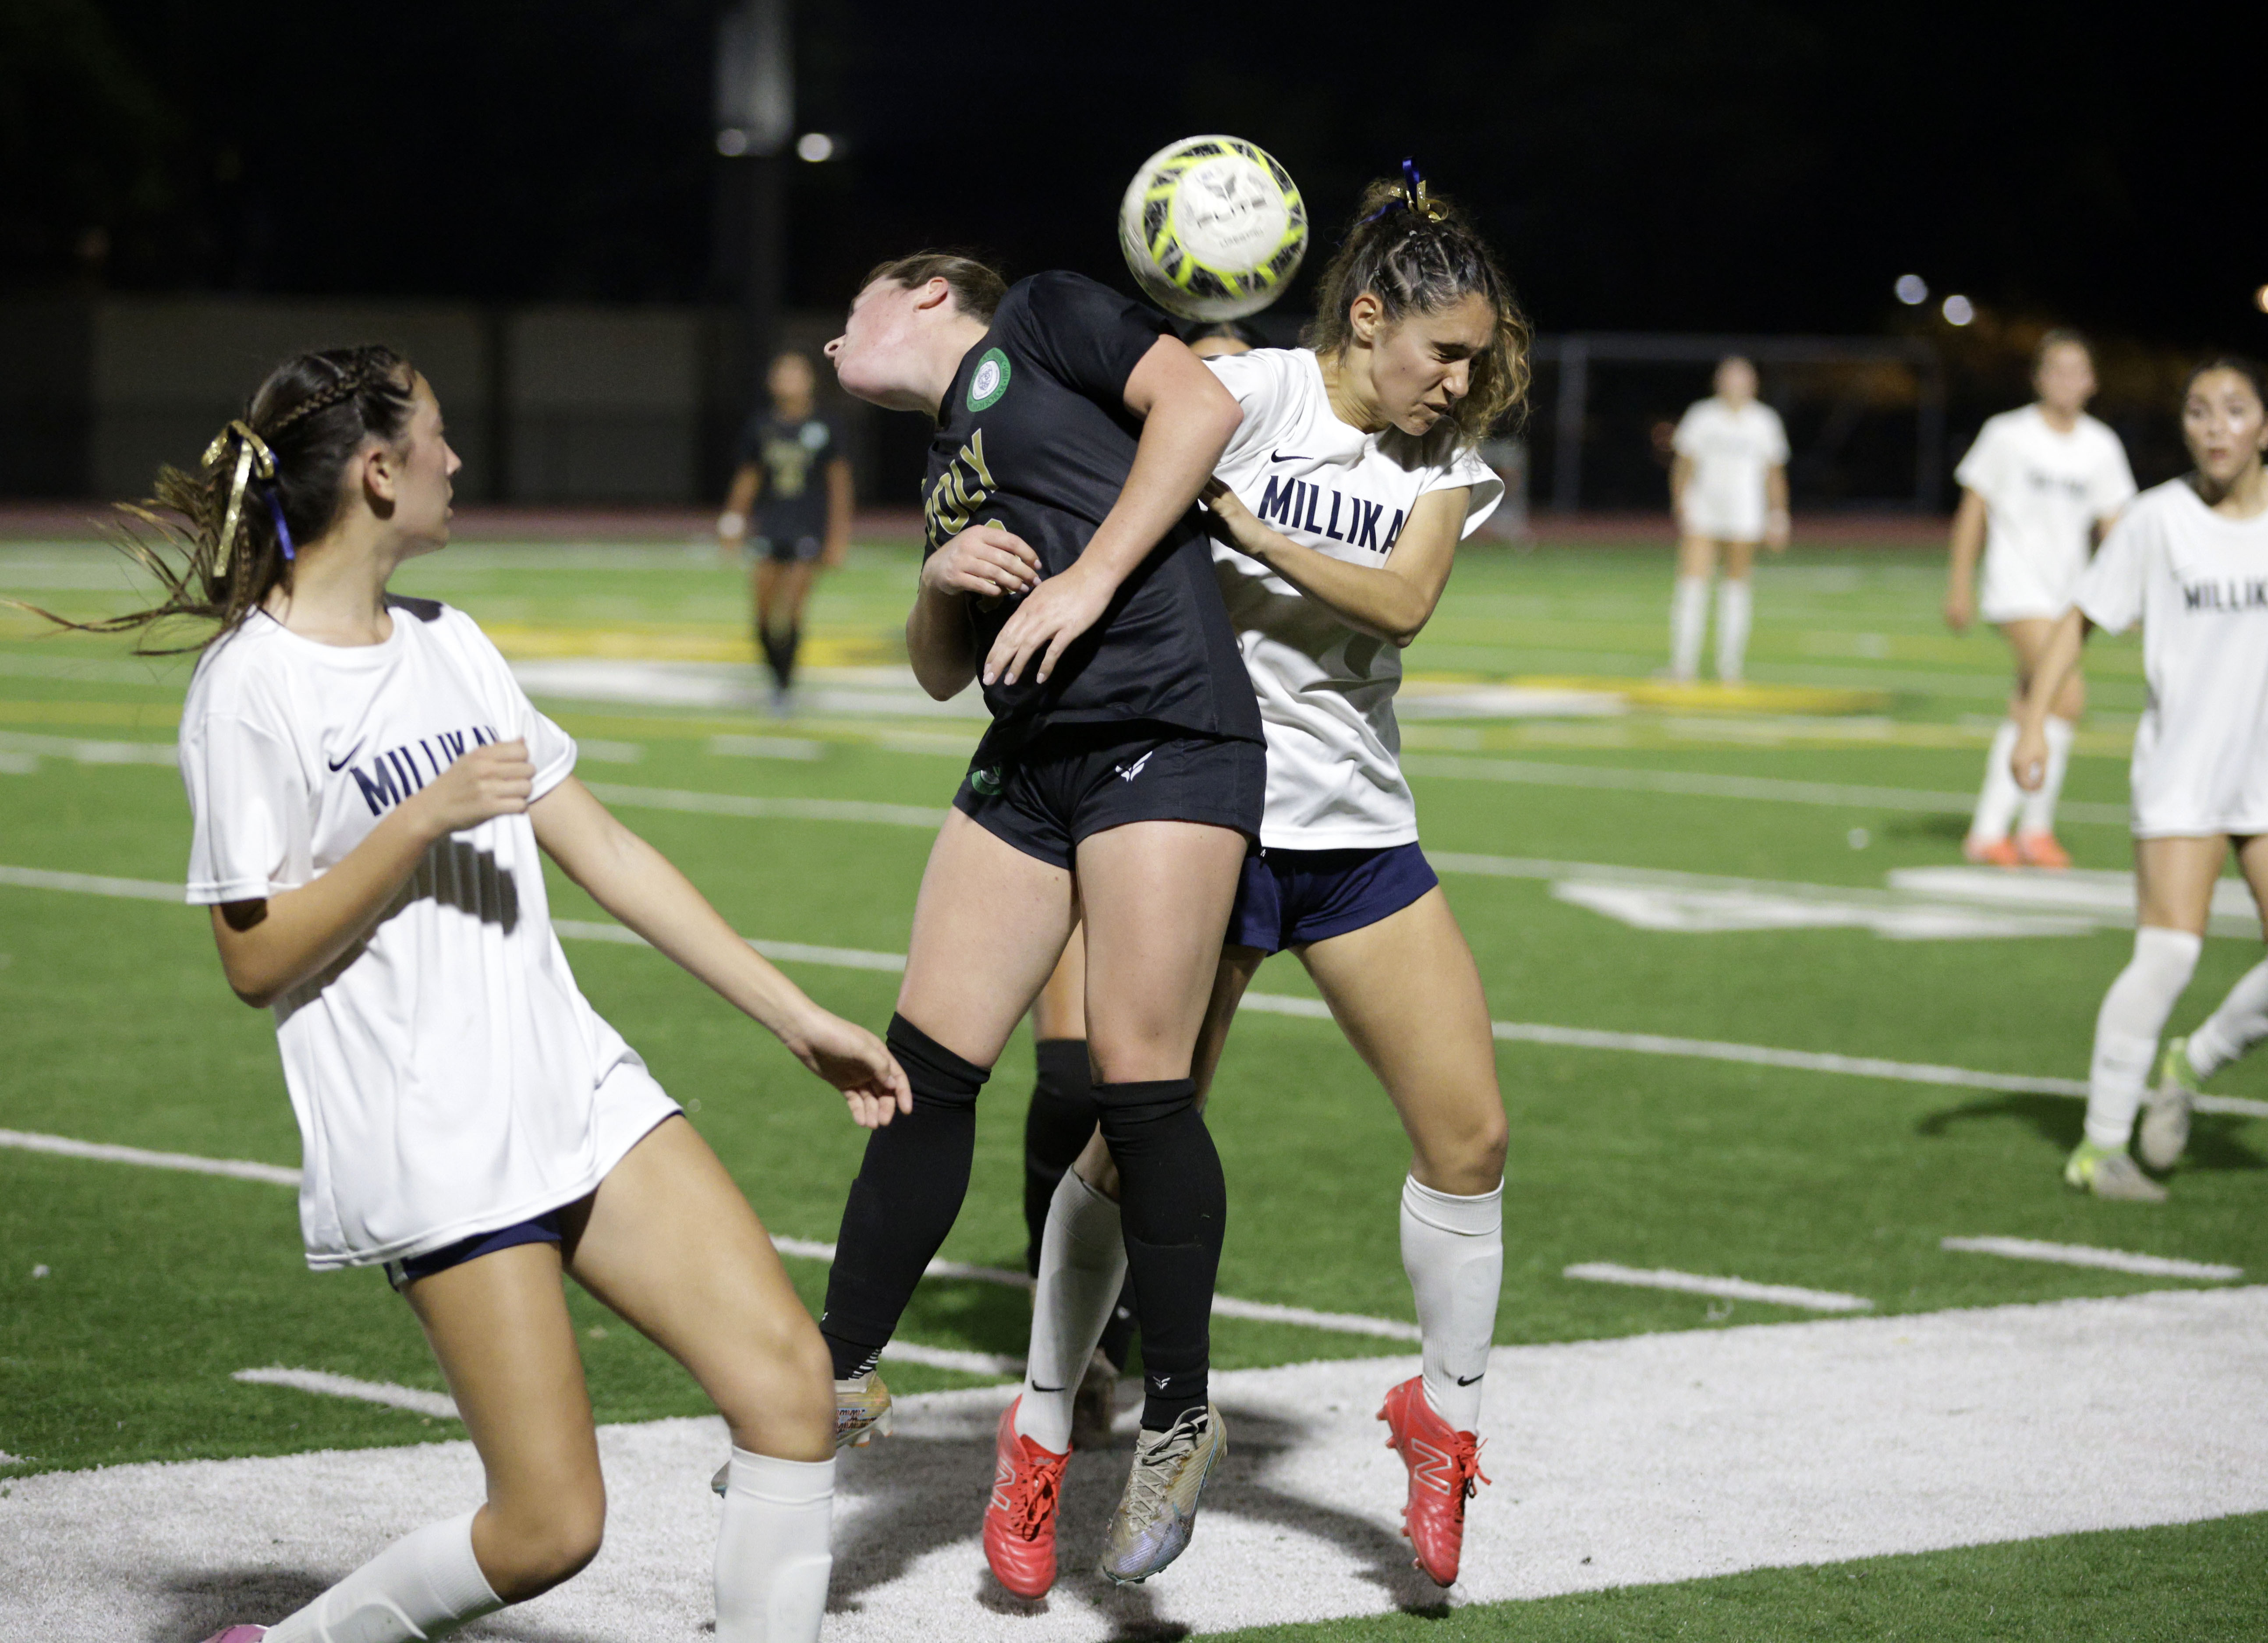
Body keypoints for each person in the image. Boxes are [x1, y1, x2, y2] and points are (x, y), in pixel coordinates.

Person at [34, 345, 911, 1643]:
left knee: (790, 1385)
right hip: (430, 1131)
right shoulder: (251, 689)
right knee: (549, 1525)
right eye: (437, 439)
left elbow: (604, 848)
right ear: (379, 471)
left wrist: (796, 1016)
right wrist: (414, 823)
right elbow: (255, 957)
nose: (459, 461)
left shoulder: (454, 643)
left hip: (575, 1081)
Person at [992, 164, 1521, 1598]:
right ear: (1364, 321)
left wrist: (1240, 522)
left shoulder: (1444, 470)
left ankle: (1442, 1424)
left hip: (1352, 837)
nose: (1461, 380)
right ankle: (1040, 1430)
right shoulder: (1248, 392)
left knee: (1467, 1138)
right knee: (1125, 1141)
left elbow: (1401, 599)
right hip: (1197, 822)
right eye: (1444, 353)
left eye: (1474, 355)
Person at [820, 252, 1264, 1585]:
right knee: (924, 1068)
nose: (840, 325)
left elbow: (1199, 411)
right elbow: (940, 671)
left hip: (1162, 730)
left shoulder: (1044, 313)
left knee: (1140, 1089)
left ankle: (1180, 1415)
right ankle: (835, 1373)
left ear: (930, 295)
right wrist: (937, 576)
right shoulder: (948, 446)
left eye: (859, 301)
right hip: (1031, 757)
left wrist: (1087, 580)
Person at [1014, 317, 1268, 1457]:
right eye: (1187, 366)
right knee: (1067, 1072)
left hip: (1197, 791)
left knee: (1154, 1092)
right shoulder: (1096, 464)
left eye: (1226, 370)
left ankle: (1137, 1336)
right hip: (1066, 769)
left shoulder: (1263, 484)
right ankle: (1075, 1348)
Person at [2013, 358, 2268, 1201]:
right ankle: (2098, 1149)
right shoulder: (2157, 521)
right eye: (2198, 411)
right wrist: (2033, 727)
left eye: (2234, 410)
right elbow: (2077, 621)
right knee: (2167, 955)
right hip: (2184, 772)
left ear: (2264, 425)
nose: (2215, 426)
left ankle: (2190, 1061)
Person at [1948, 331, 2136, 868]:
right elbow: (1973, 509)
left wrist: (2130, 594)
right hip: (2015, 588)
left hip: (2067, 595)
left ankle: (1992, 831)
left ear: (2092, 382)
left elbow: (2115, 525)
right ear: (2038, 378)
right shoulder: (2007, 434)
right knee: (2066, 695)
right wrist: (1960, 581)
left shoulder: (2100, 445)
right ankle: (2031, 828)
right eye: (2056, 369)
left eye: (2077, 371)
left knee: (2030, 702)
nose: (2067, 380)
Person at [717, 351, 852, 706]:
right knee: (761, 615)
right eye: (782, 373)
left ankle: (784, 688)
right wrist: (732, 523)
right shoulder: (761, 426)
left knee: (792, 609)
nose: (788, 380)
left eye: (796, 373)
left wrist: (838, 538)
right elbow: (748, 478)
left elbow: (839, 484)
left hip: (808, 528)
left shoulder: (825, 426)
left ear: (810, 381)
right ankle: (776, 678)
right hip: (770, 526)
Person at [1666, 356, 1790, 683]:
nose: (1736, 385)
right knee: (1692, 585)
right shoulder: (1702, 416)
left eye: (1743, 379)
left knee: (1736, 588)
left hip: (1745, 513)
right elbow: (1683, 464)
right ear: (1719, 382)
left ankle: (1730, 667)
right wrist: (1681, 502)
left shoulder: (1764, 421)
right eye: (1730, 378)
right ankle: (1683, 666)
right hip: (1704, 509)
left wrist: (1778, 516)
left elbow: (1774, 473)